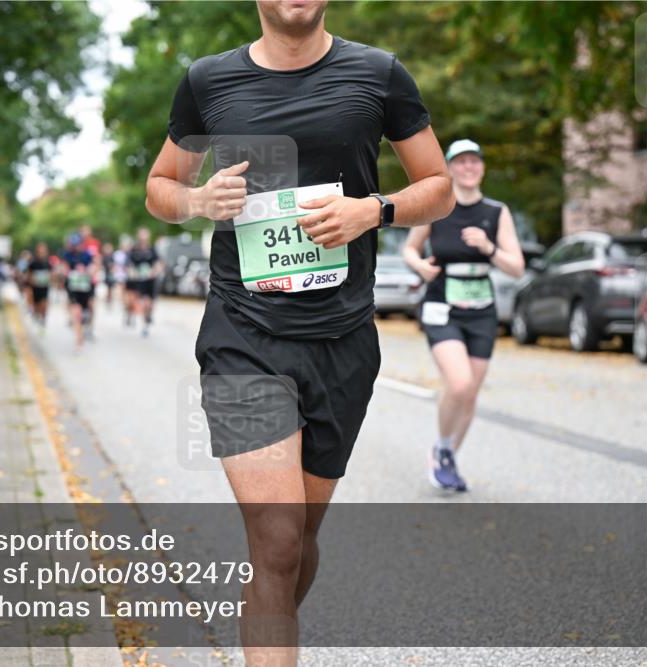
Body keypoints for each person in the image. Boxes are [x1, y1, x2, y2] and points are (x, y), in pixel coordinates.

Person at [144, 2, 454, 663]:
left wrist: (375, 210)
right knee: (279, 538)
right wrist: (197, 201)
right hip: (242, 331)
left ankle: (268, 608)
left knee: (295, 546)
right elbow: (161, 186)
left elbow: (439, 186)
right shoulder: (208, 80)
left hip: (343, 340)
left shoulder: (378, 74)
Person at [402, 139, 524, 492]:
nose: (468, 168)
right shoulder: (438, 207)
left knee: (470, 394)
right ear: (451, 168)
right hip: (442, 304)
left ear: (482, 168)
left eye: (475, 162)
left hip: (482, 309)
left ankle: (448, 455)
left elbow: (517, 267)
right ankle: (441, 447)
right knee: (459, 383)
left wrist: (488, 248)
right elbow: (411, 249)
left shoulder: (496, 212)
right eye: (461, 162)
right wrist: (420, 267)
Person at [126, 228, 164, 337]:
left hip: (151, 281)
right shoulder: (134, 250)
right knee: (144, 302)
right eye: (141, 236)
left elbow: (158, 263)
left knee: (150, 304)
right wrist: (133, 272)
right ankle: (145, 326)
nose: (143, 239)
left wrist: (154, 272)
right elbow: (130, 264)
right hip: (140, 281)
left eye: (145, 236)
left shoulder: (152, 249)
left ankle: (149, 316)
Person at [61, 233, 95, 350]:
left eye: (77, 244)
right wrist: (69, 272)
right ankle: (78, 341)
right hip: (73, 288)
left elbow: (93, 267)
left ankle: (88, 326)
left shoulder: (87, 255)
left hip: (86, 289)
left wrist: (86, 271)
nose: (76, 247)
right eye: (73, 245)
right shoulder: (67, 255)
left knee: (88, 310)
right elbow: (64, 268)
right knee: (76, 314)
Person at [27, 242, 53, 331]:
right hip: (35, 288)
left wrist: (50, 279)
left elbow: (51, 274)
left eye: (43, 252)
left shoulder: (48, 263)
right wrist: (32, 281)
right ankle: (37, 315)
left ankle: (43, 319)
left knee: (44, 303)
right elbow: (29, 275)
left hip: (44, 287)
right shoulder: (33, 263)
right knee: (37, 304)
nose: (41, 254)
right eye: (40, 252)